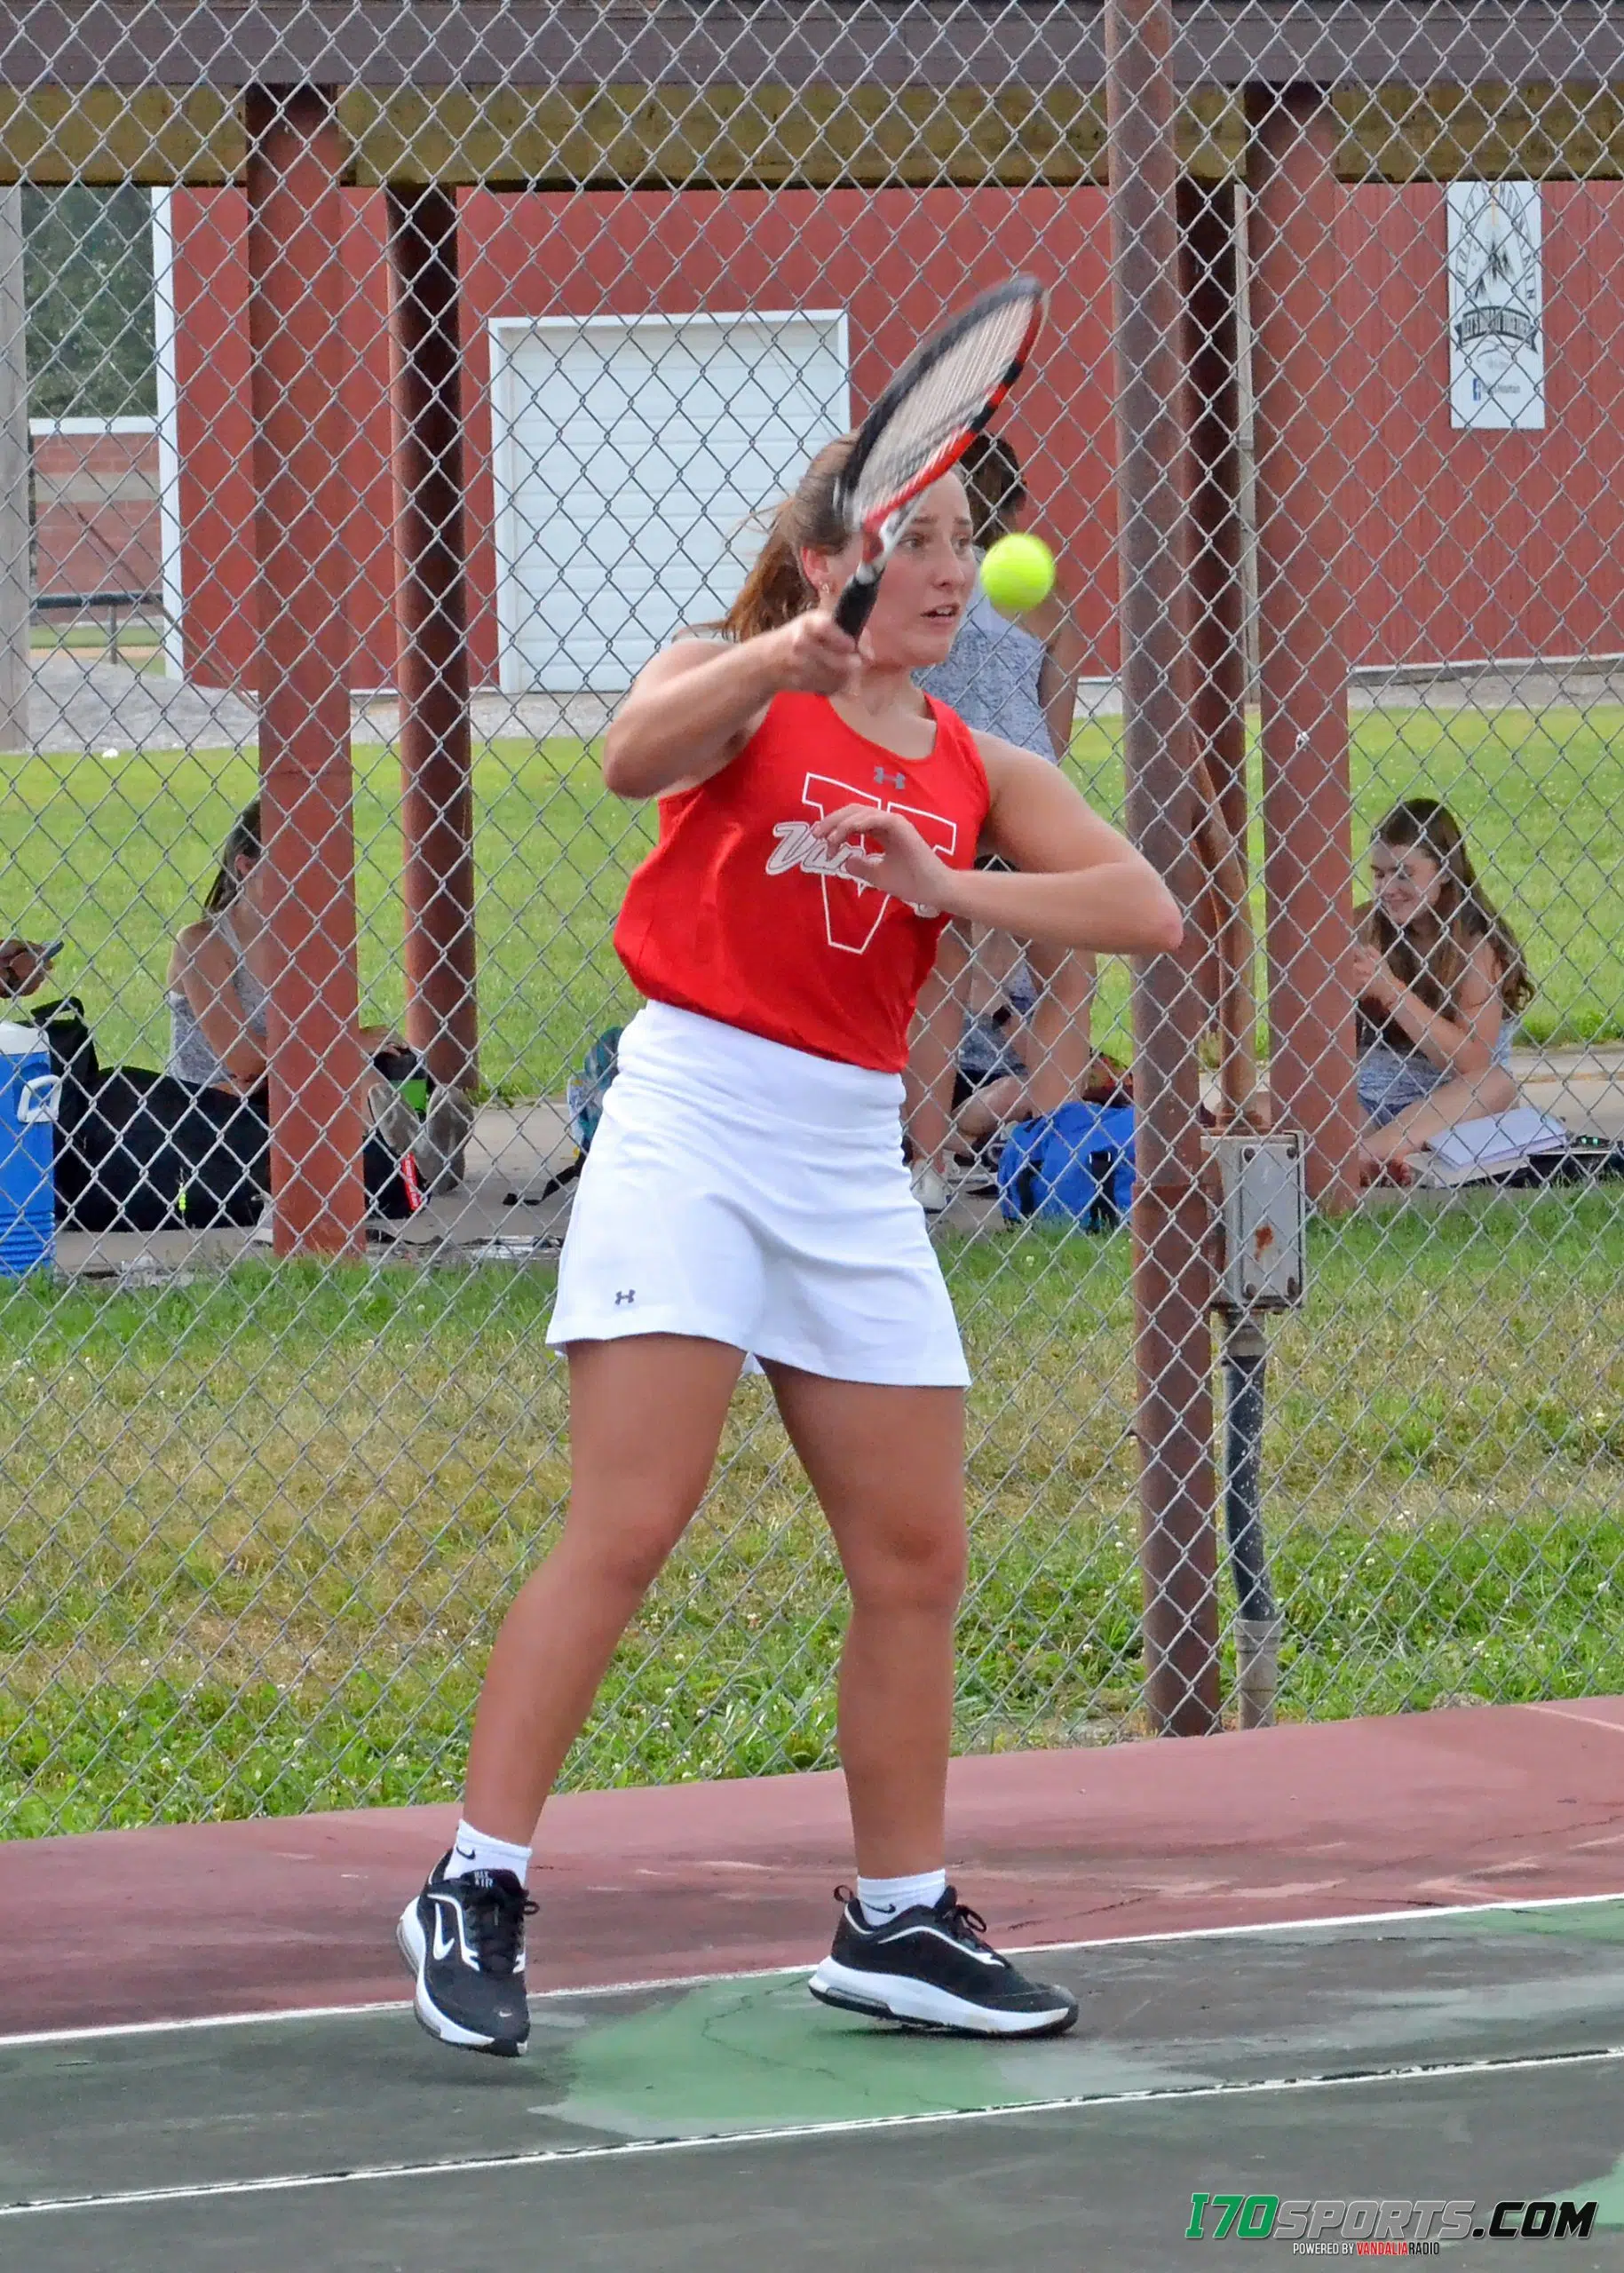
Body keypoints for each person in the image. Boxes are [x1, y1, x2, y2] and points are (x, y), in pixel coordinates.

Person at [396, 434, 1183, 2059]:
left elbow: (1142, 910)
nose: (958, 570)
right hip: (688, 1125)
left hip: (844, 1161)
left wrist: (948, 883)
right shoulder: (733, 681)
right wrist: (781, 649)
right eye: (924, 542)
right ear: (834, 561)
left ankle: (896, 1918)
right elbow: (628, 756)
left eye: (972, 541)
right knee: (627, 1523)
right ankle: (472, 1884)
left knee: (915, 1563)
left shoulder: (972, 758)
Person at [907, 433, 1096, 1209]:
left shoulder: (918, 587)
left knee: (942, 972)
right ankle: (1050, 1153)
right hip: (1022, 784)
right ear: (1015, 511)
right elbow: (1059, 720)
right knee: (1064, 971)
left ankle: (926, 1163)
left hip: (941, 778)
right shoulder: (1040, 598)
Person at [168, 799, 417, 1153]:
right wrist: (343, 1045)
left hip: (286, 1081)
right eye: (291, 866)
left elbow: (321, 1033)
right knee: (337, 1067)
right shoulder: (202, 943)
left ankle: (409, 1147)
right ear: (245, 867)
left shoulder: (306, 940)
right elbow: (242, 1059)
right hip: (218, 1102)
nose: (306, 878)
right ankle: (405, 1156)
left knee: (391, 1062)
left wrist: (345, 1046)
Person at [1353, 796, 1533, 1177]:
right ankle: (1372, 1156)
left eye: (1404, 873)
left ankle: (1361, 1159)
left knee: (1496, 1084)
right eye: (1380, 874)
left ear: (1445, 871)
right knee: (1267, 1103)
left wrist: (1390, 991)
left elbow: (1471, 1063)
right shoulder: (1363, 925)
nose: (1388, 888)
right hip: (1364, 1101)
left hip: (1443, 1107)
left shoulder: (1476, 944)